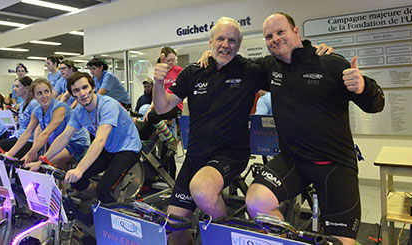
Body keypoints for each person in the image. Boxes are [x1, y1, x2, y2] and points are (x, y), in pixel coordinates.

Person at [243, 13, 385, 245]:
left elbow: (377, 104)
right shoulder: (269, 67)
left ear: (296, 31)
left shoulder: (330, 63)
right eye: (269, 36)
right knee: (256, 201)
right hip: (293, 161)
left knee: (340, 242)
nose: (275, 39)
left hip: (335, 165)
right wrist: (212, 54)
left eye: (281, 32)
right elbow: (234, 67)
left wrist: (363, 87)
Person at [153, 17, 267, 244]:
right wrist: (158, 83)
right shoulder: (193, 72)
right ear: (210, 41)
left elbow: (287, 69)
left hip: (230, 154)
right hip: (196, 155)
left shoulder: (250, 71)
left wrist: (317, 56)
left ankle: (225, 238)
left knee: (203, 190)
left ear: (239, 45)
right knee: (174, 231)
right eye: (221, 39)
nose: (226, 44)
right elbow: (163, 106)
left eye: (232, 40)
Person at [24, 72, 141, 203]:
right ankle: (96, 197)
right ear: (72, 95)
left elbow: (100, 140)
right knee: (77, 181)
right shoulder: (79, 111)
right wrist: (42, 162)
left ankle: (112, 217)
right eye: (77, 90)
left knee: (104, 189)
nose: (82, 93)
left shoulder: (108, 105)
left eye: (85, 87)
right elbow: (64, 137)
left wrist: (79, 169)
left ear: (93, 88)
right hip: (109, 148)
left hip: (127, 148)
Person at [6, 78, 89, 170]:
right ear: (34, 96)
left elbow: (46, 133)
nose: (44, 96)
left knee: (43, 164)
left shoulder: (59, 108)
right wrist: (9, 154)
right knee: (51, 167)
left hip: (76, 142)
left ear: (51, 92)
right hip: (59, 143)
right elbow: (27, 132)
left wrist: (30, 153)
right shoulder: (37, 110)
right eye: (39, 93)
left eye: (46, 91)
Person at [0, 76, 40, 158]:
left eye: (17, 86)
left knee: (5, 160)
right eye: (14, 86)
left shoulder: (34, 104)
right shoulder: (22, 105)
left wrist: (34, 150)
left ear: (27, 88)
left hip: (29, 141)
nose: (14, 89)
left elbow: (37, 128)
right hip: (18, 138)